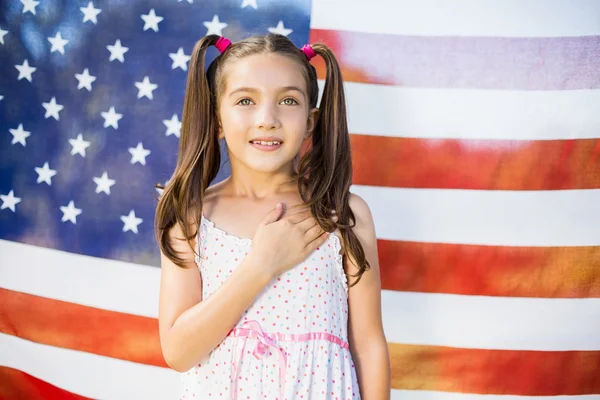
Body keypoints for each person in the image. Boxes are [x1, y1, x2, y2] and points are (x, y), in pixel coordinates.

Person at [154, 33, 391, 399]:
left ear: (311, 122)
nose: (267, 119)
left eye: (288, 100)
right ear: (217, 119)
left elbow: (369, 344)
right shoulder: (191, 219)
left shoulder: (343, 215)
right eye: (246, 100)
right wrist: (261, 265)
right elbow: (179, 351)